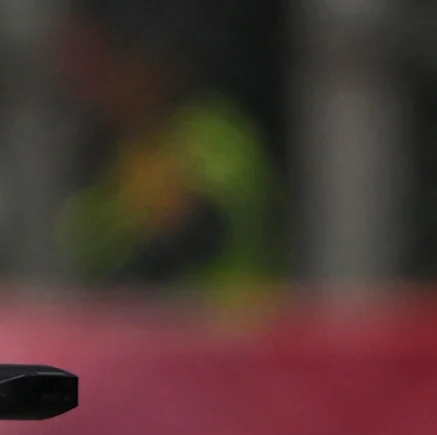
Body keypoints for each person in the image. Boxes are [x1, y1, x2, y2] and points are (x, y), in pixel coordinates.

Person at [54, 7, 276, 298]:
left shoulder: (212, 134)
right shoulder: (108, 149)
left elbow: (206, 234)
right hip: (137, 333)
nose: (97, 87)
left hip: (228, 333)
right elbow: (83, 245)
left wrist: (175, 220)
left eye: (111, 67)